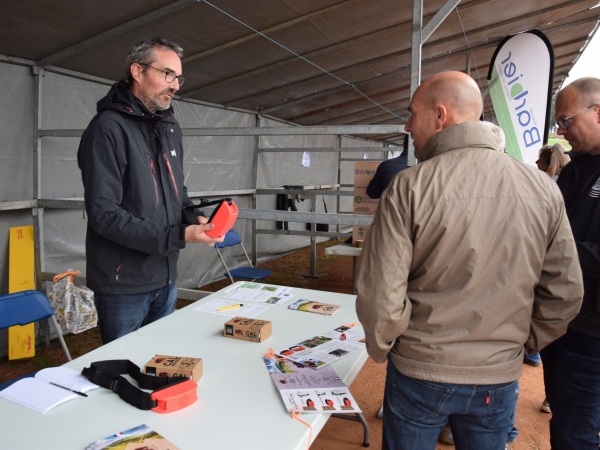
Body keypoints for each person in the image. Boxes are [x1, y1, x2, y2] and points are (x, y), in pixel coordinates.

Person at [355, 71, 583, 450]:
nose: (407, 124)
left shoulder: (410, 186)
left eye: (413, 113)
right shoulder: (542, 187)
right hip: (498, 372)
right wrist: (520, 346)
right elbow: (565, 292)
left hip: (419, 369)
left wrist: (385, 346)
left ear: (440, 115)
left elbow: (380, 291)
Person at [77, 36, 223, 345]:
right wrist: (180, 236)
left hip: (165, 275)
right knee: (125, 366)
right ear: (138, 71)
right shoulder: (107, 128)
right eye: (167, 74)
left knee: (159, 362)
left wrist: (194, 218)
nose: (175, 85)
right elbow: (104, 215)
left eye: (178, 77)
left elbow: (177, 191)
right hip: (123, 282)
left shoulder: (168, 127)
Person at [540, 77, 600, 449]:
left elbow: (560, 241)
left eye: (566, 120)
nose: (562, 130)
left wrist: (553, 250)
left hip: (593, 332)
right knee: (563, 415)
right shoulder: (574, 168)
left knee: (575, 431)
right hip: (560, 319)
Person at [366, 134, 409, 199]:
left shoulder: (386, 165)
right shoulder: (425, 167)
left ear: (403, 145)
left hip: (390, 208)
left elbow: (372, 193)